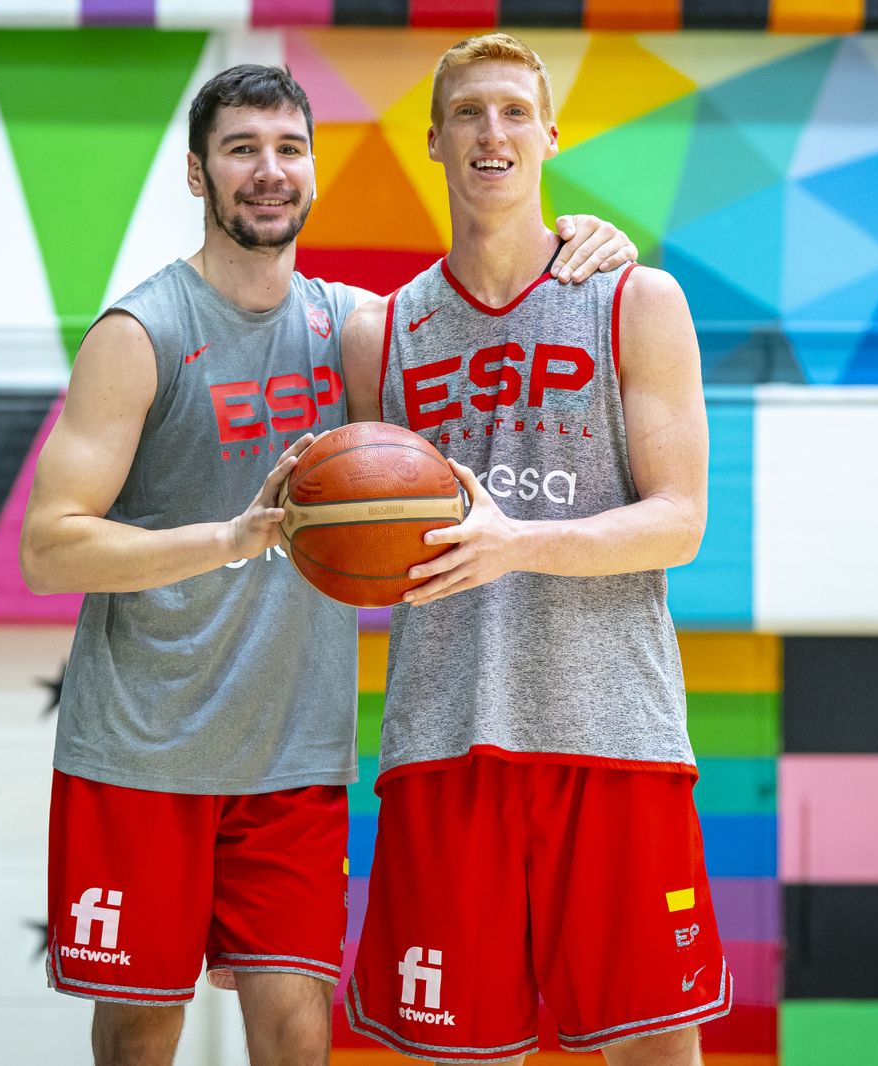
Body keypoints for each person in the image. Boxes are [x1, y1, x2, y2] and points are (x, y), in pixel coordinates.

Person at [19, 63, 639, 1066]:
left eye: (288, 148)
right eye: (240, 149)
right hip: (143, 743)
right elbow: (49, 546)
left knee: (299, 1030)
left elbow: (492, 308)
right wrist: (230, 538)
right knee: (140, 1030)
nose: (268, 171)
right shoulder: (141, 333)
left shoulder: (358, 330)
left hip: (294, 755)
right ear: (196, 174)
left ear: (312, 170)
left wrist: (588, 237)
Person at [340, 33, 727, 1065]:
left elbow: (680, 520)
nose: (492, 130)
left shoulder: (632, 299)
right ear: (432, 141)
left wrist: (517, 545)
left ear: (550, 135)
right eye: (468, 112)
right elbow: (360, 540)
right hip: (443, 732)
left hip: (613, 735)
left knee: (651, 1051)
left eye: (514, 110)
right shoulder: (381, 334)